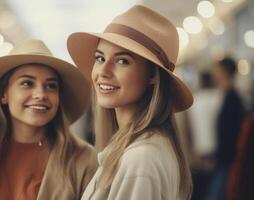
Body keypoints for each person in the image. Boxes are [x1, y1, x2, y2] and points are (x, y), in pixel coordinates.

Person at [67, 5, 193, 199]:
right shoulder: (144, 148)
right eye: (100, 58)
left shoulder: (140, 159)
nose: (103, 71)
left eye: (122, 61)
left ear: (153, 75)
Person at [0, 39, 98, 200]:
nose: (41, 94)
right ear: (4, 94)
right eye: (27, 83)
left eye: (51, 86)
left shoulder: (84, 161)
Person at [207, 57, 245, 200]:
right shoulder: (227, 96)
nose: (213, 72)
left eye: (216, 69)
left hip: (228, 160)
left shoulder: (232, 98)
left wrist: (219, 156)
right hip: (225, 158)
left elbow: (231, 134)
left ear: (224, 72)